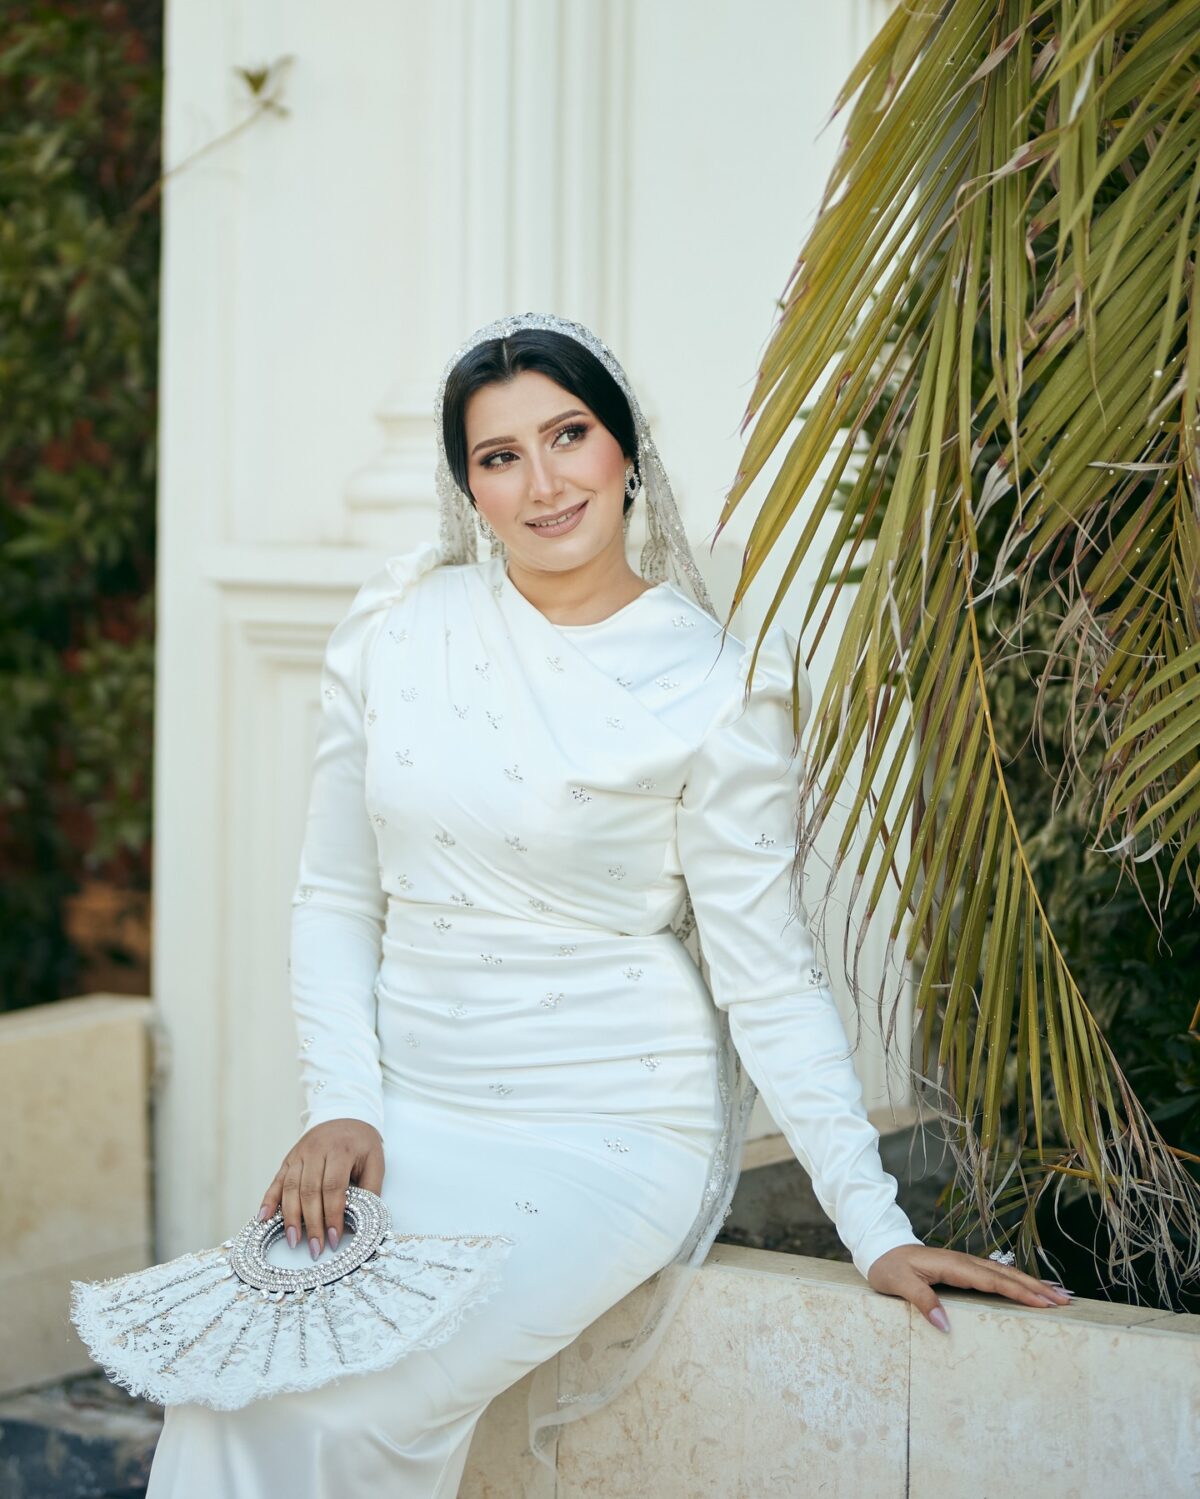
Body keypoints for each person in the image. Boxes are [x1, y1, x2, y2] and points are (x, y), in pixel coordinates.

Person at [145, 312, 1074, 1497]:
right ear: (469, 487)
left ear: (626, 447)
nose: (543, 484)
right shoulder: (397, 626)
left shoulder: (719, 683)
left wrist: (874, 1222)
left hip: (604, 1129)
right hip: (406, 1117)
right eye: (500, 456)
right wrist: (341, 1105)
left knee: (347, 1399)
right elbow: (334, 892)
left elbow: (764, 971)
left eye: (569, 435)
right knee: (228, 1380)